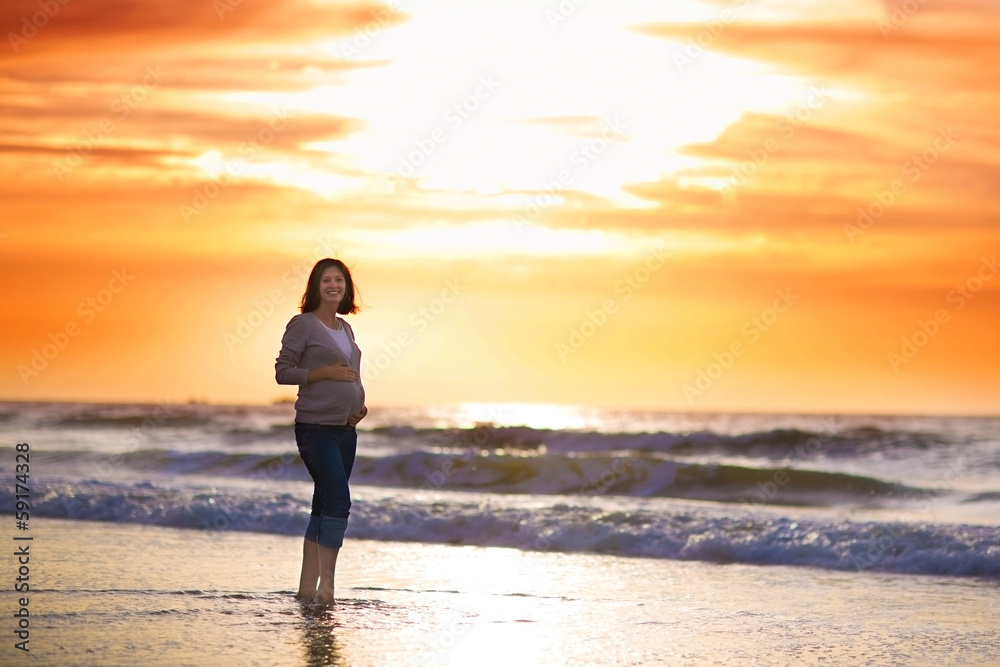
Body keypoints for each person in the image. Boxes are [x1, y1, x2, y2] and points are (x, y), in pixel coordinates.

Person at [275, 258, 368, 605]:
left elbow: (352, 375)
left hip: (345, 429)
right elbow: (283, 372)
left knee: (323, 506)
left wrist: (357, 406)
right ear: (315, 286)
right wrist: (324, 372)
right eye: (327, 280)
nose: (334, 285)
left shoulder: (345, 328)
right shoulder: (303, 325)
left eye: (340, 280)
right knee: (339, 502)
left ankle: (305, 589)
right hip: (315, 428)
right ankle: (326, 589)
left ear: (347, 287)